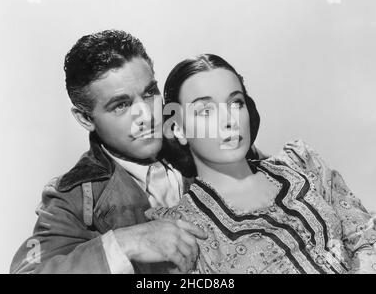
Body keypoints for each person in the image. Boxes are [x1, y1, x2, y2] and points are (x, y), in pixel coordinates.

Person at [145, 54, 376, 274]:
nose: (229, 121)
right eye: (206, 111)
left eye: (236, 103)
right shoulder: (182, 226)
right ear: (179, 130)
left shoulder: (302, 164)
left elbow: (365, 239)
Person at [10, 30, 212, 274]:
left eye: (149, 93)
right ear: (85, 118)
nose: (147, 117)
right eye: (121, 105)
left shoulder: (201, 137)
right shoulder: (71, 198)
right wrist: (125, 243)